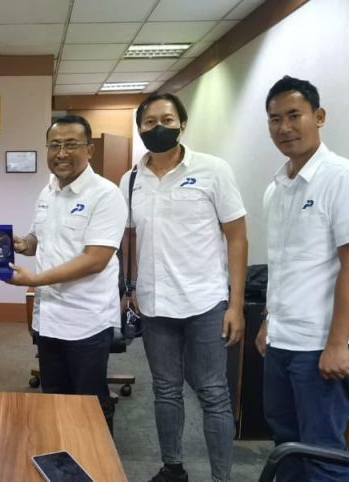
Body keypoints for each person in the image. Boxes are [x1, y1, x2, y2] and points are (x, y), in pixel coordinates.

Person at [257, 76, 349, 482]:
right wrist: (269, 322)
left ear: (319, 116)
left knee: (323, 454)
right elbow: (285, 265)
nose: (284, 127)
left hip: (322, 345)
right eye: (275, 119)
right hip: (283, 341)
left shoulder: (347, 179)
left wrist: (338, 343)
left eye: (294, 115)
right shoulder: (277, 189)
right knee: (287, 446)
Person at [125, 93, 248, 482]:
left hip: (205, 302)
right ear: (140, 128)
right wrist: (131, 286)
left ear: (182, 124)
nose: (158, 127)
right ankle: (173, 466)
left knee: (213, 392)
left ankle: (222, 477)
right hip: (154, 303)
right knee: (165, 390)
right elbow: (130, 238)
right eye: (149, 121)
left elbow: (237, 237)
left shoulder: (213, 170)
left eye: (167, 119)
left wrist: (236, 305)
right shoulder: (131, 180)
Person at [9, 114, 127, 432]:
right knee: (54, 398)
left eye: (71, 144)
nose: (61, 153)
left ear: (89, 149)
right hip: (48, 318)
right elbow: (38, 240)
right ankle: (58, 450)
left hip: (86, 320)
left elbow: (95, 260)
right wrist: (22, 243)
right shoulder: (48, 192)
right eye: (54, 145)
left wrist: (34, 280)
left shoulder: (105, 194)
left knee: (88, 403)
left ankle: (96, 456)